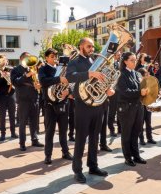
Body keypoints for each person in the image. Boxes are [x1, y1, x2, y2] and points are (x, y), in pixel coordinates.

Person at [66, 37, 114, 183]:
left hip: (97, 105)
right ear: (81, 47)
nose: (92, 49)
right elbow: (70, 77)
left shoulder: (95, 61)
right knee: (81, 139)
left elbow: (103, 80)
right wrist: (89, 74)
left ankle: (93, 165)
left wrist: (107, 89)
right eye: (88, 47)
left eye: (92, 47)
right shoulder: (74, 62)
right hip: (82, 106)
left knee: (95, 137)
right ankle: (78, 170)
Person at [39, 48, 72, 164]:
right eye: (52, 56)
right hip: (50, 105)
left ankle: (65, 152)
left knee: (63, 130)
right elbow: (43, 82)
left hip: (63, 102)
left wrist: (68, 91)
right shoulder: (43, 69)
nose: (55, 58)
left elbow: (70, 82)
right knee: (50, 131)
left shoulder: (62, 68)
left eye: (56, 56)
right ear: (46, 57)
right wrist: (58, 78)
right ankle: (48, 155)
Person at [116, 52, 147, 166]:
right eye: (132, 60)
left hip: (138, 107)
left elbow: (141, 87)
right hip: (126, 108)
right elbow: (124, 92)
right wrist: (140, 92)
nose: (135, 62)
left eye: (135, 60)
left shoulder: (136, 73)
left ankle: (136, 155)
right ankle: (127, 157)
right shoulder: (121, 74)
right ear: (125, 62)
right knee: (127, 133)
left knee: (136, 132)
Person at [11, 52, 44, 151]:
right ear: (21, 59)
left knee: (34, 121)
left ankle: (34, 139)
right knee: (23, 122)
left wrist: (38, 84)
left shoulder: (33, 68)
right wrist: (27, 75)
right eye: (26, 58)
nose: (28, 60)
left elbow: (37, 81)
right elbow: (15, 82)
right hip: (23, 99)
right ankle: (22, 142)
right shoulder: (15, 70)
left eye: (29, 58)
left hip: (34, 98)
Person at [0, 55, 17, 141]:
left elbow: (15, 81)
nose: (4, 62)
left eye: (5, 60)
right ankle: (3, 133)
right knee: (2, 116)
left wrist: (10, 76)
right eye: (2, 60)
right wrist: (2, 77)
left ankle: (13, 132)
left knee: (12, 115)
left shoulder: (11, 69)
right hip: (1, 96)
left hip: (11, 95)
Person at [137, 68, 156, 145]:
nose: (147, 75)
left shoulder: (148, 82)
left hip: (147, 104)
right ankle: (141, 139)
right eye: (146, 74)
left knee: (148, 122)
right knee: (141, 123)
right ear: (142, 75)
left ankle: (150, 138)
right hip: (141, 105)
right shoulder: (138, 83)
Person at [107, 51, 121, 137]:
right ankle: (111, 129)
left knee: (120, 110)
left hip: (119, 89)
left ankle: (120, 128)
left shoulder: (118, 63)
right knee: (112, 111)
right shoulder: (109, 63)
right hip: (112, 89)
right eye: (118, 55)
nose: (119, 56)